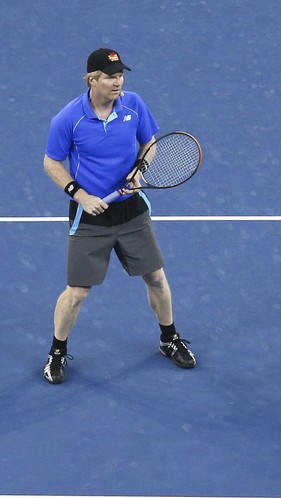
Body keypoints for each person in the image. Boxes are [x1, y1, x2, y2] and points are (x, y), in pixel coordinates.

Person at [41, 48, 196, 384]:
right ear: (91, 79)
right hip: (91, 216)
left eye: (120, 75)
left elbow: (150, 142)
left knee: (156, 278)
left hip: (131, 210)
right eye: (110, 76)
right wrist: (81, 195)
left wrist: (140, 171)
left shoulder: (133, 104)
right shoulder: (68, 119)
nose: (118, 82)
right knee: (77, 292)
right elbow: (51, 163)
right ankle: (57, 351)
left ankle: (169, 338)